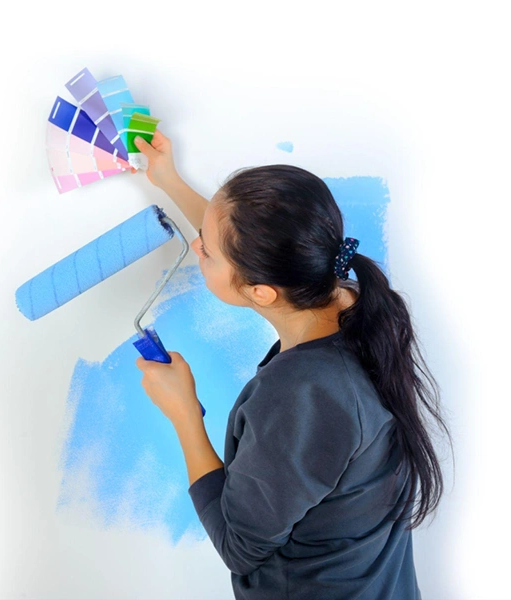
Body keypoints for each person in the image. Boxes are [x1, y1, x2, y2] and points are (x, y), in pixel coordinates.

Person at [132, 131, 453, 599]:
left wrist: (184, 414)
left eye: (209, 251)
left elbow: (239, 548)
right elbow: (252, 249)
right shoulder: (350, 302)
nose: (197, 248)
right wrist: (169, 180)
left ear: (262, 293)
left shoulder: (303, 396)